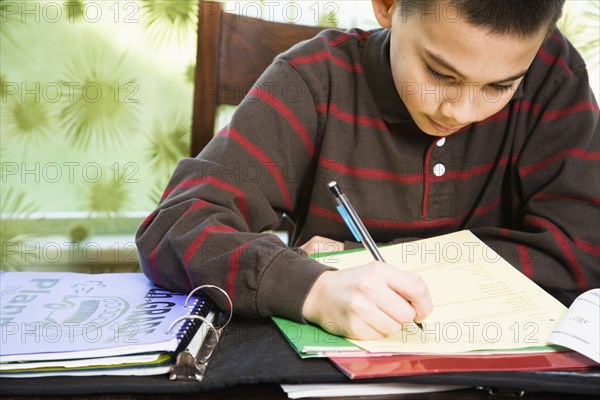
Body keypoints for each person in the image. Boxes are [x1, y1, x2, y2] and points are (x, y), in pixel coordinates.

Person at [136, 0, 599, 340]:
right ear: (388, 6)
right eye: (440, 74)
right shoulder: (312, 80)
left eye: (500, 86)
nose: (461, 110)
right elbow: (176, 225)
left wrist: (359, 261)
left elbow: (583, 252)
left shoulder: (552, 73)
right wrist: (313, 288)